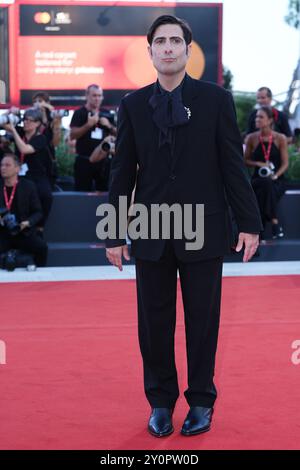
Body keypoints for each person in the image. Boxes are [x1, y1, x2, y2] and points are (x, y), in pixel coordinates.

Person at [105, 15, 262, 437]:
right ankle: (159, 402)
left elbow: (232, 163)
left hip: (204, 229)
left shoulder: (215, 100)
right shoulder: (133, 105)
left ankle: (201, 402)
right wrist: (113, 232)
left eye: (177, 40)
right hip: (150, 229)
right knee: (153, 323)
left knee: (202, 321)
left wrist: (248, 222)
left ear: (188, 50)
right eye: (162, 41)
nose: (169, 47)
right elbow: (122, 171)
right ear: (151, 51)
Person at [3, 108, 53, 233]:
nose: (25, 123)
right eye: (24, 119)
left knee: (46, 195)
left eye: (29, 121)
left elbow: (25, 149)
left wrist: (13, 130)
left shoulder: (41, 138)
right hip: (19, 173)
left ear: (37, 123)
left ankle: (39, 226)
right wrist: (9, 114)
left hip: (37, 175)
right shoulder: (20, 131)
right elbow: (3, 123)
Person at [244, 106, 289, 239]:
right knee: (265, 184)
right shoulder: (251, 138)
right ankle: (274, 221)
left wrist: (275, 175)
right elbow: (245, 160)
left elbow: (285, 163)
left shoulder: (280, 138)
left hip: (277, 179)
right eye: (256, 117)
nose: (257, 119)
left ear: (270, 120)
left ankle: (261, 228)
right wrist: (258, 163)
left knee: (267, 186)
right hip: (258, 178)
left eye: (261, 117)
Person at [0, 153, 48, 267]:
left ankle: (38, 276)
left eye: (7, 165)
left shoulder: (28, 186)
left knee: (42, 248)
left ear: (17, 168)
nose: (3, 168)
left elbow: (38, 212)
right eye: (1, 165)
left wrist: (28, 222)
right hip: (2, 232)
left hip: (22, 231)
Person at [70, 84, 117, 191]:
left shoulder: (107, 113)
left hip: (103, 161)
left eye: (100, 96)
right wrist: (88, 125)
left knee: (104, 193)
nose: (97, 99)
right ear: (87, 96)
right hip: (84, 160)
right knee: (82, 193)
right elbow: (73, 135)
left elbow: (118, 134)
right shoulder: (79, 113)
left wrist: (108, 125)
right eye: (94, 95)